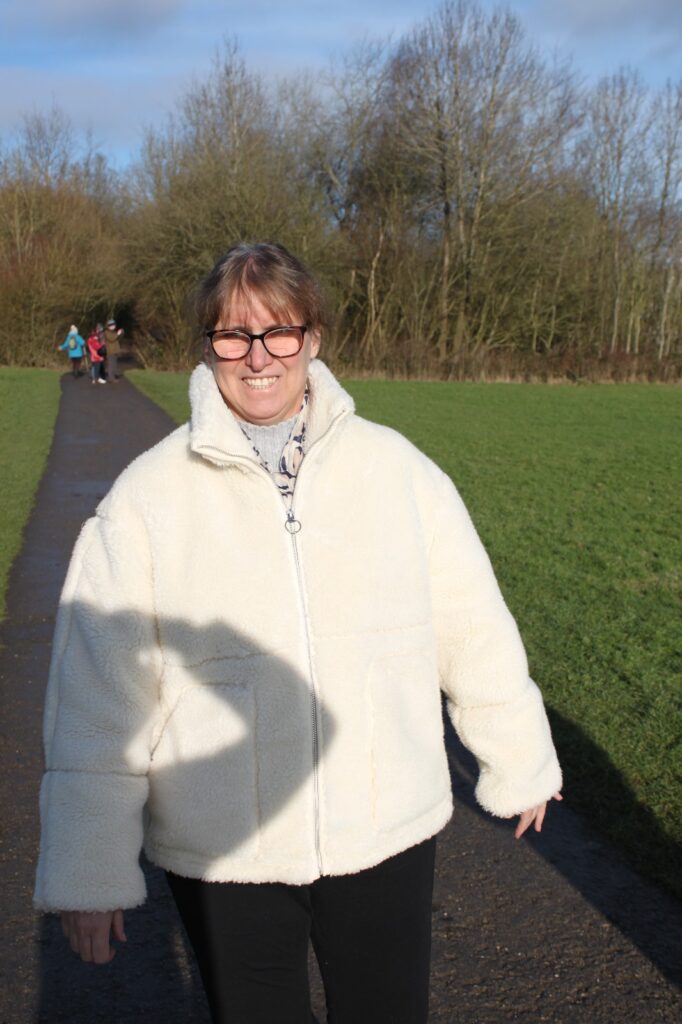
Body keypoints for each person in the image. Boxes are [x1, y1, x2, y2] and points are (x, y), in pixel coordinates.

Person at [35, 243, 562, 1024]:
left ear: (312, 339)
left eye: (279, 332)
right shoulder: (147, 497)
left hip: (385, 830)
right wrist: (88, 869)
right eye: (232, 335)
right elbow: (96, 693)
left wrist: (518, 756)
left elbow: (471, 622)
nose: (257, 359)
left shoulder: (397, 470)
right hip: (226, 848)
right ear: (207, 345)